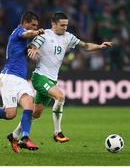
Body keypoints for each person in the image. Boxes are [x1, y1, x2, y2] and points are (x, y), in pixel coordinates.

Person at [7, 12, 112, 152]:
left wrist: (99, 46)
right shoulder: (44, 34)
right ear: (53, 24)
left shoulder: (69, 37)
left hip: (51, 79)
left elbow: (85, 46)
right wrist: (32, 50)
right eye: (62, 25)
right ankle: (58, 133)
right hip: (39, 77)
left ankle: (14, 135)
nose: (64, 28)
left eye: (66, 25)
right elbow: (33, 46)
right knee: (60, 96)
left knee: (36, 114)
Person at [0, 11, 44, 153]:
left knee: (29, 106)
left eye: (37, 26)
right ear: (25, 23)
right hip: (9, 78)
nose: (35, 28)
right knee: (10, 114)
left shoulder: (22, 39)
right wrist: (36, 33)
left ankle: (24, 138)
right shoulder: (19, 32)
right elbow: (27, 34)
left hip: (21, 79)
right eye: (33, 25)